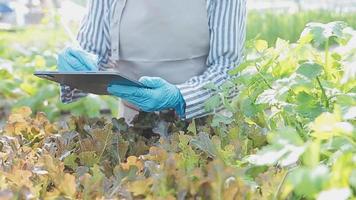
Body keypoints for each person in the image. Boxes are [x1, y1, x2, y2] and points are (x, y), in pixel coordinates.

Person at [58, 0, 246, 122]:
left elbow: (228, 71)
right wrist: (77, 69)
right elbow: (92, 52)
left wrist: (180, 97)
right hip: (131, 125)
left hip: (203, 128)